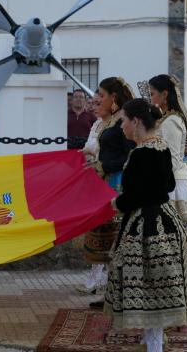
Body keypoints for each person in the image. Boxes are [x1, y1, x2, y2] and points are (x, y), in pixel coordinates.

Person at [104, 98, 187, 352]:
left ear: (136, 121)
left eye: (124, 121)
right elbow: (168, 186)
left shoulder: (140, 154)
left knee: (147, 291)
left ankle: (154, 346)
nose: (122, 127)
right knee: (156, 291)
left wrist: (116, 203)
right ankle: (151, 343)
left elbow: (136, 196)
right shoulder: (161, 147)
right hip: (167, 221)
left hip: (145, 227)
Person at [148, 74, 187, 279]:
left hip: (174, 185)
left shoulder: (172, 121)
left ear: (165, 94)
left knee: (174, 241)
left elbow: (173, 158)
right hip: (170, 182)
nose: (151, 97)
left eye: (153, 94)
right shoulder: (165, 118)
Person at [80, 77, 135, 303]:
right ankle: (111, 290)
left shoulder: (124, 120)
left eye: (102, 95)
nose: (98, 99)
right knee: (111, 238)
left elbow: (129, 155)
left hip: (119, 183)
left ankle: (118, 291)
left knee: (118, 238)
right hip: (109, 181)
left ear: (114, 97)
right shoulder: (110, 120)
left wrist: (102, 165)